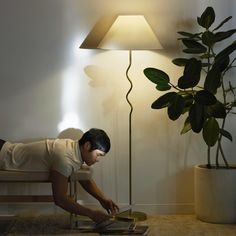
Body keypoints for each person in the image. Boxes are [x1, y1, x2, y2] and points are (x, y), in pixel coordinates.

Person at [0, 128, 119, 223]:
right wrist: (91, 214)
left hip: (5, 148)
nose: (98, 159)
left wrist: (103, 199)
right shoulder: (65, 159)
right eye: (98, 155)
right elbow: (60, 199)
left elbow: (84, 180)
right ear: (87, 146)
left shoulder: (73, 148)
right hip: (3, 155)